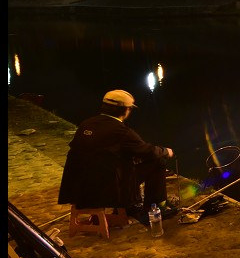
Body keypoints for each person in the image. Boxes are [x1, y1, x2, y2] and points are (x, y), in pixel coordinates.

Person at [57, 89, 176, 225]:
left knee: (121, 165)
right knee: (158, 161)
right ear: (126, 110)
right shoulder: (121, 131)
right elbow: (148, 151)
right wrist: (166, 151)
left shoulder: (86, 124)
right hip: (106, 190)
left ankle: (131, 206)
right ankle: (154, 208)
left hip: (76, 188)